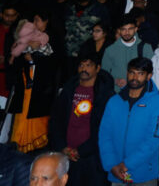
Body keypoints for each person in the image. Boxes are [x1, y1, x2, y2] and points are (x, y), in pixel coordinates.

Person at [48, 52, 116, 186]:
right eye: (81, 65)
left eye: (88, 65)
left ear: (97, 68)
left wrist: (82, 150)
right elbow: (55, 120)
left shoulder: (106, 94)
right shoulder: (68, 90)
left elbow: (106, 129)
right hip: (66, 154)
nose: (84, 69)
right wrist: (62, 147)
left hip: (93, 157)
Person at [99, 57, 159, 186]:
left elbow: (155, 139)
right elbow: (104, 135)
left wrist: (127, 164)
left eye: (140, 73)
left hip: (144, 174)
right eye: (132, 72)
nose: (135, 77)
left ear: (149, 76)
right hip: (116, 172)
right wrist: (111, 164)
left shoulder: (157, 103)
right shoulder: (114, 101)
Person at [8, 16, 58, 153]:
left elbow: (54, 63)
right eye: (33, 20)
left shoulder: (52, 38)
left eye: (38, 20)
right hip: (25, 86)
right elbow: (15, 59)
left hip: (42, 90)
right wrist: (26, 55)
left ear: (46, 21)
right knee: (21, 118)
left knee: (38, 122)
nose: (35, 23)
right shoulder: (26, 37)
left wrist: (35, 58)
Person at [101, 16, 153, 91]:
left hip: (140, 92)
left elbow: (151, 73)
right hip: (117, 92)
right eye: (123, 29)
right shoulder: (110, 50)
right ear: (119, 30)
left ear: (136, 29)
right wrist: (115, 81)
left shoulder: (146, 48)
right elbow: (104, 74)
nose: (127, 32)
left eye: (130, 29)